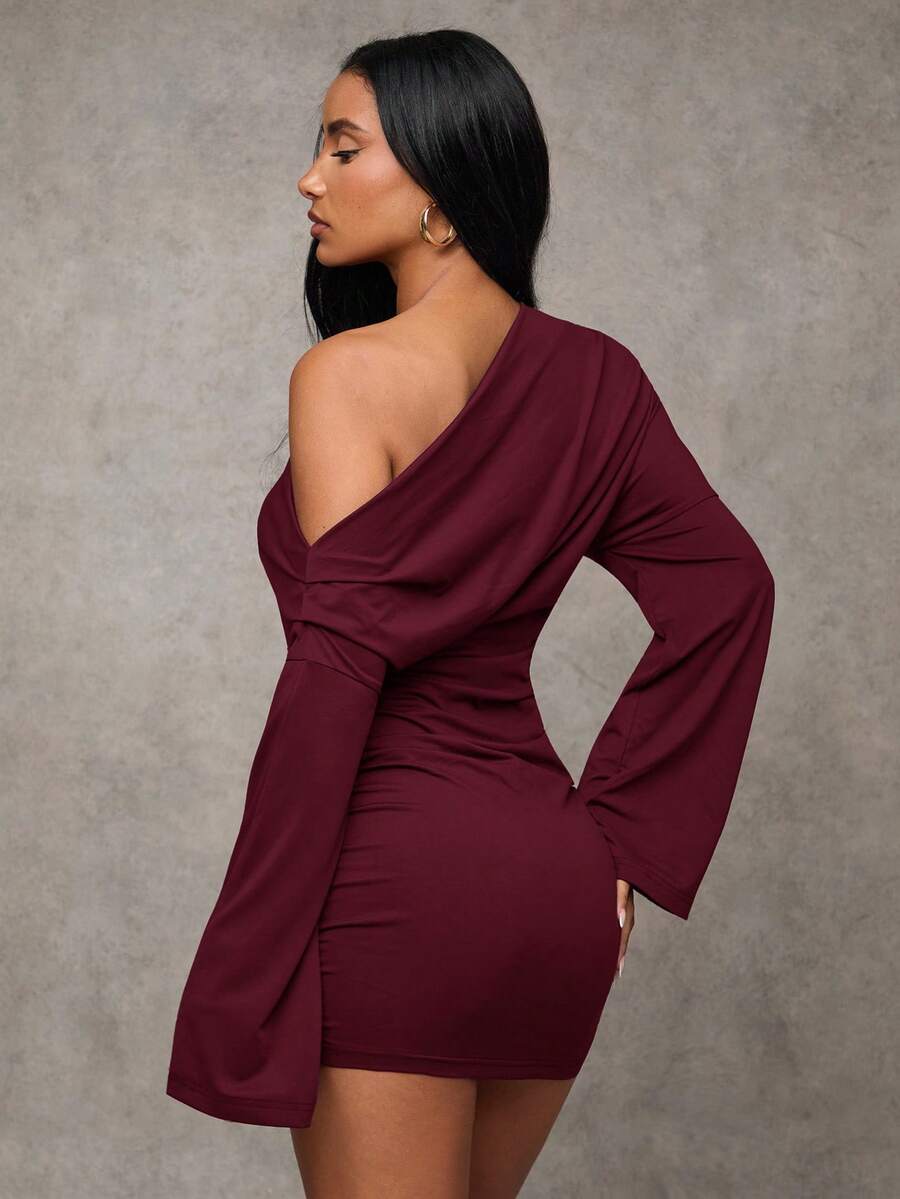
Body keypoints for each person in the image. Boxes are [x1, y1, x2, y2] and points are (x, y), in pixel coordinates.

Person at [165, 29, 775, 1199]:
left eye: (346, 148)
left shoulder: (346, 375)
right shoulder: (599, 378)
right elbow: (730, 587)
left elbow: (338, 672)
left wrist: (248, 941)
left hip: (397, 880)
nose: (309, 177)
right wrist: (627, 837)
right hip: (554, 889)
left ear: (442, 187)